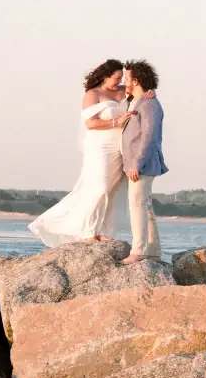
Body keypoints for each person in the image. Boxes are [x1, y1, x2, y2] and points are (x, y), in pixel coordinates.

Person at [28, 59, 131, 248]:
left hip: (120, 146)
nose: (119, 81)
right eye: (116, 78)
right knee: (99, 185)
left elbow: (141, 91)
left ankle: (104, 230)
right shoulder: (93, 94)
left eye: (121, 77)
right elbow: (91, 124)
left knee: (112, 189)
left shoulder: (124, 90)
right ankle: (87, 231)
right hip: (100, 146)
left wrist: (150, 92)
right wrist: (118, 122)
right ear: (105, 76)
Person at [118, 59, 167, 262]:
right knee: (145, 206)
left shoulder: (149, 105)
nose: (124, 81)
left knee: (137, 205)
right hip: (136, 163)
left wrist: (136, 163)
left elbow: (149, 137)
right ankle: (153, 251)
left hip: (143, 164)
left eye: (127, 78)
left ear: (136, 81)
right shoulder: (136, 100)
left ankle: (138, 251)